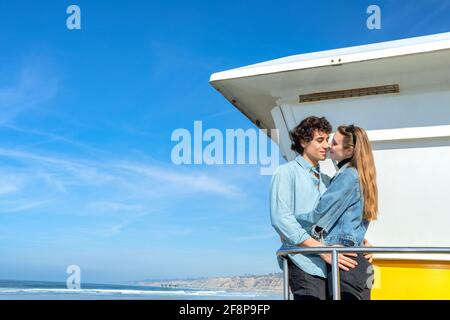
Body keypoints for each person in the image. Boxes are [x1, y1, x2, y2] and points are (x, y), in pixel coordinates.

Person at [270, 117, 373, 300]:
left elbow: (337, 217)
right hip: (303, 262)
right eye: (320, 140)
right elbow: (281, 219)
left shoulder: (328, 179)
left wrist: (360, 241)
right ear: (303, 142)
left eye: (327, 140)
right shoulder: (286, 172)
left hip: (332, 264)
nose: (326, 145)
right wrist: (320, 249)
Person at [295, 124, 378, 300]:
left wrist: (291, 228)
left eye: (334, 143)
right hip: (360, 263)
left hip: (345, 263)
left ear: (349, 151)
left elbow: (319, 216)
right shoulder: (362, 175)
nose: (328, 146)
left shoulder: (348, 175)